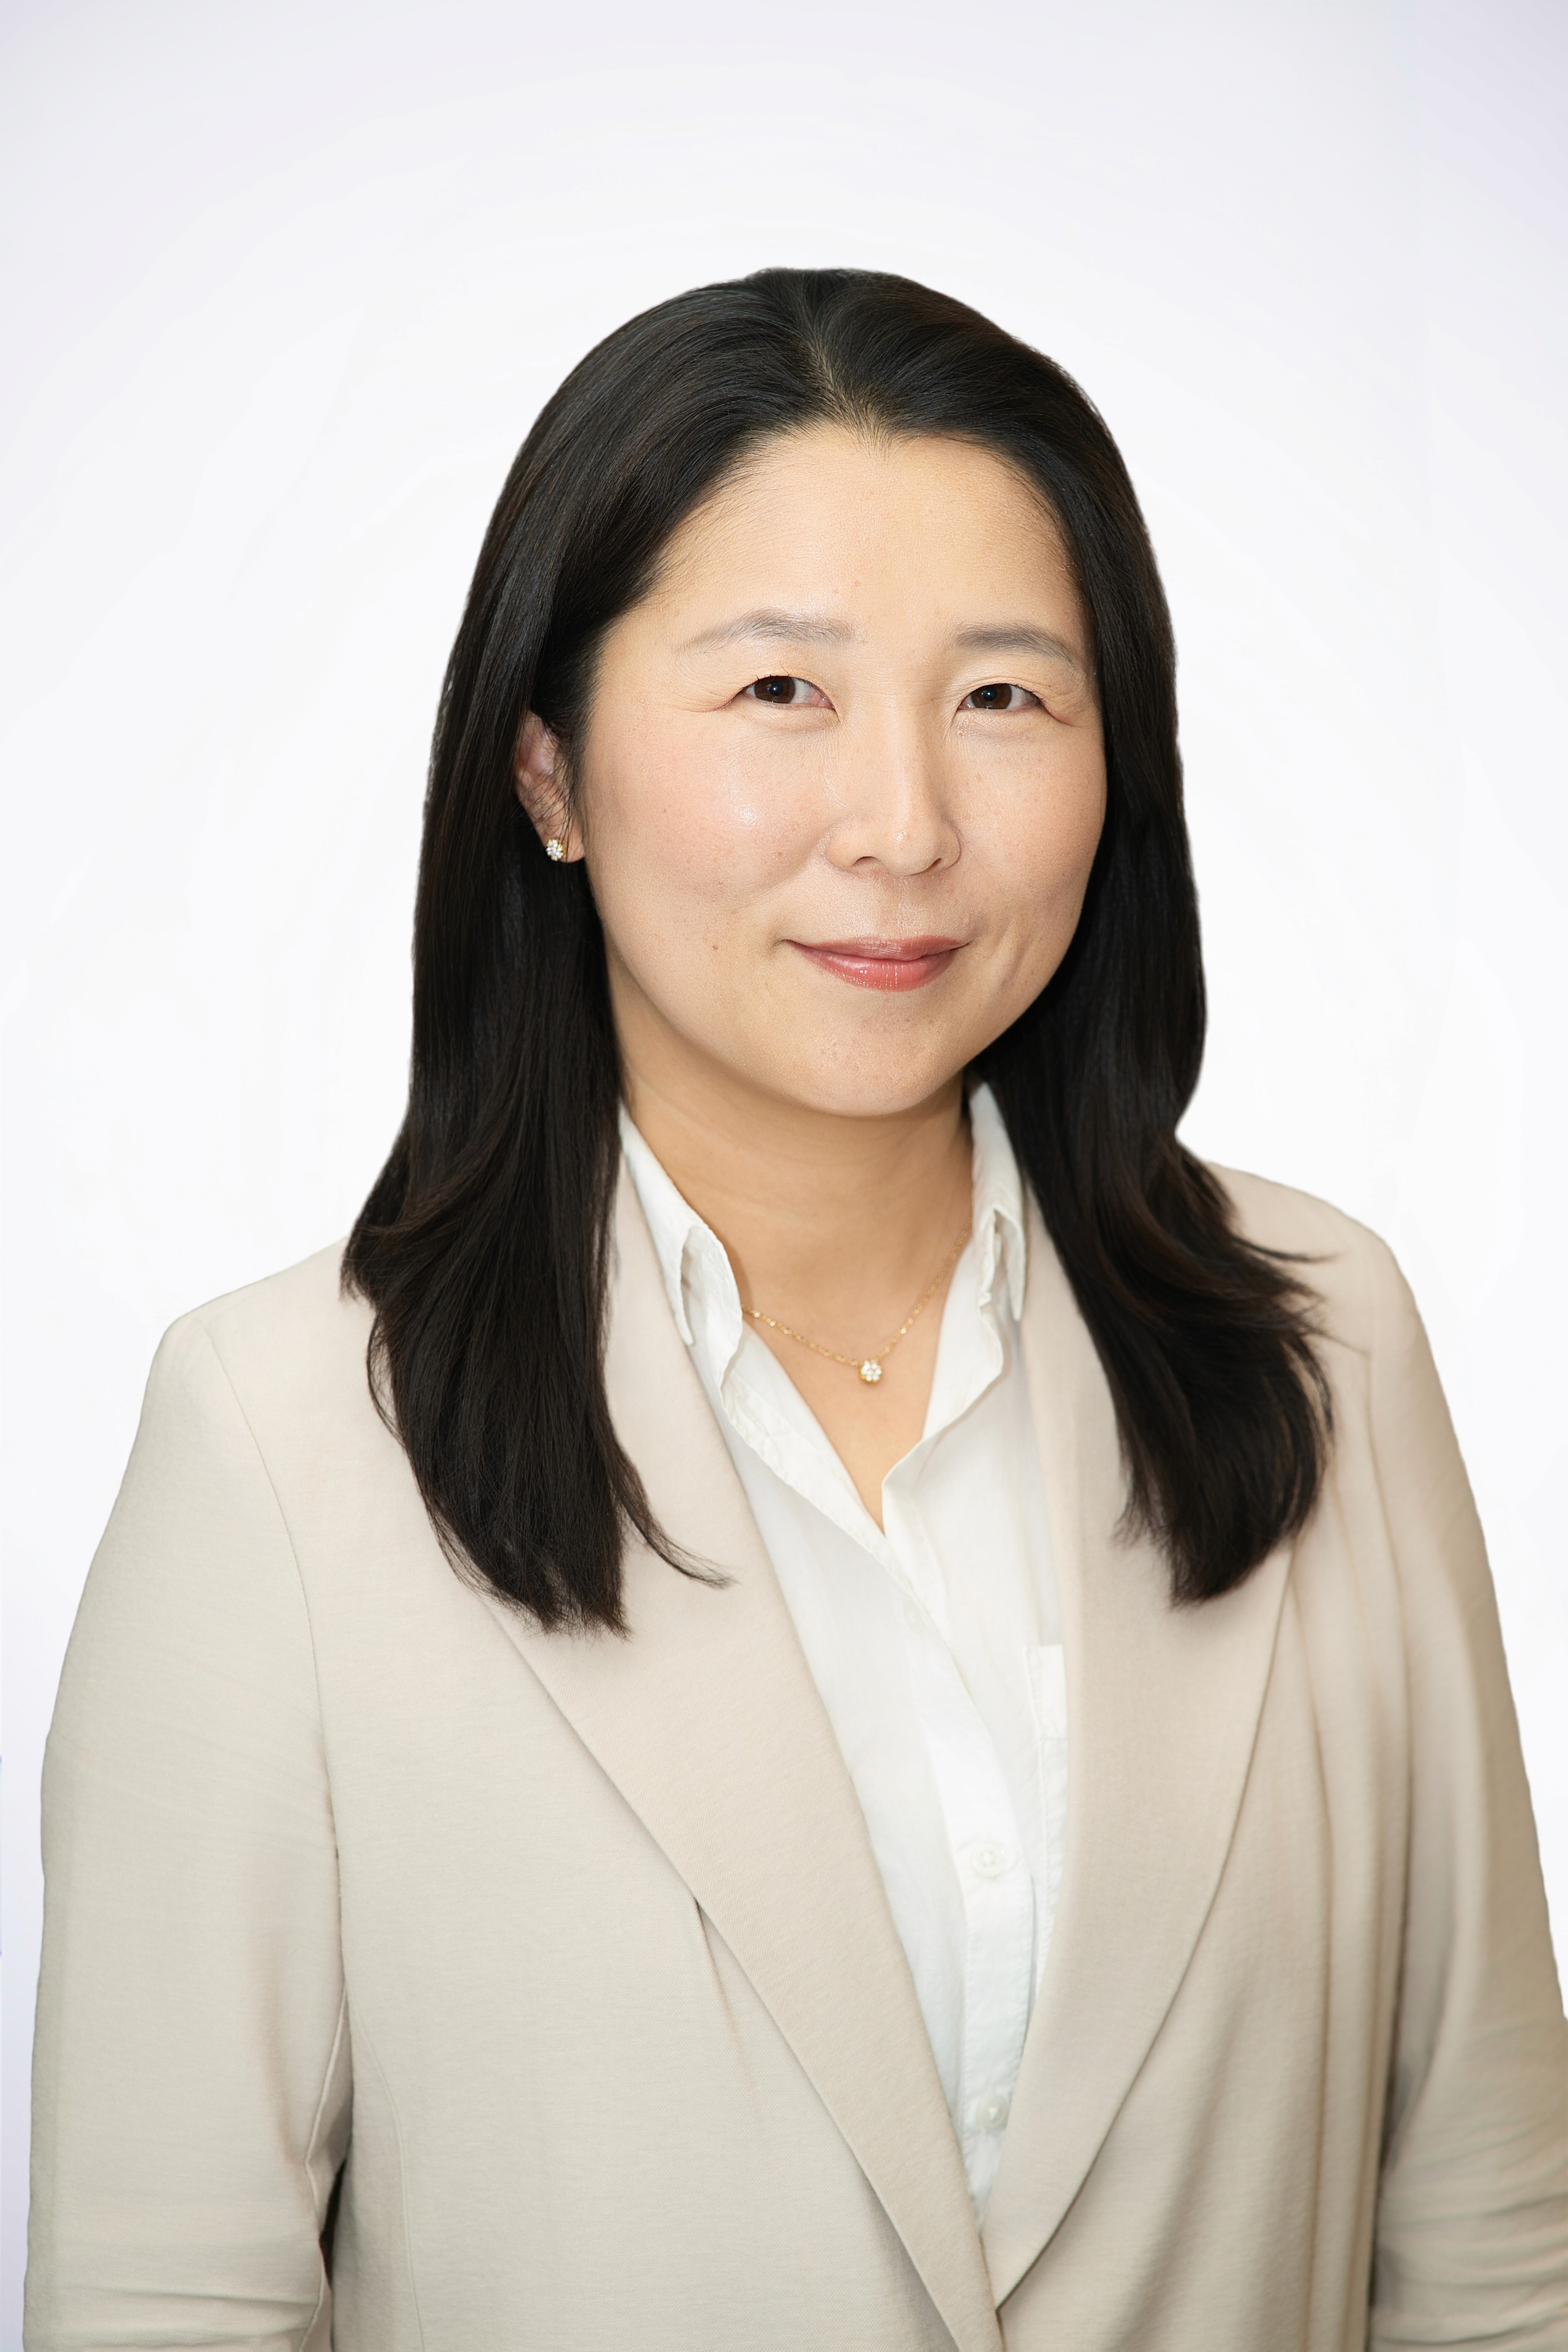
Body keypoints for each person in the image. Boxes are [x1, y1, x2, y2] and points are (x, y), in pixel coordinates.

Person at [25, 267, 1567, 2352]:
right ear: (549, 774)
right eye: (781, 695)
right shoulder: (286, 1439)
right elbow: (166, 2301)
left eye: (1007, 697)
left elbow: (1485, 2227)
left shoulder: (1325, 1344)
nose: (907, 827)